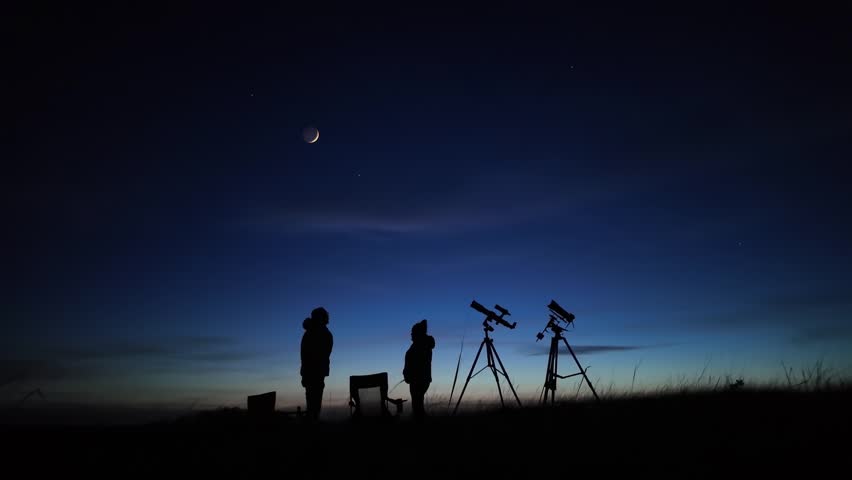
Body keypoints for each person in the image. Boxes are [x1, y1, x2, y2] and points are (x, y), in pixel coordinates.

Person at [300, 306, 333, 421]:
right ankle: (313, 419)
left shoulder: (317, 333)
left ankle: (313, 419)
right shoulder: (322, 333)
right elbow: (305, 354)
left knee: (313, 396)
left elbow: (309, 354)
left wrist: (305, 371)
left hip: (315, 370)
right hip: (315, 370)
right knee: (313, 396)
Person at [403, 319, 435, 420]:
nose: (411, 335)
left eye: (413, 333)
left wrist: (408, 374)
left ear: (417, 334)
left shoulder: (420, 345)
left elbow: (417, 364)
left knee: (417, 405)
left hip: (418, 380)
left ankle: (420, 423)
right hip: (419, 379)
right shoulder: (422, 344)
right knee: (418, 404)